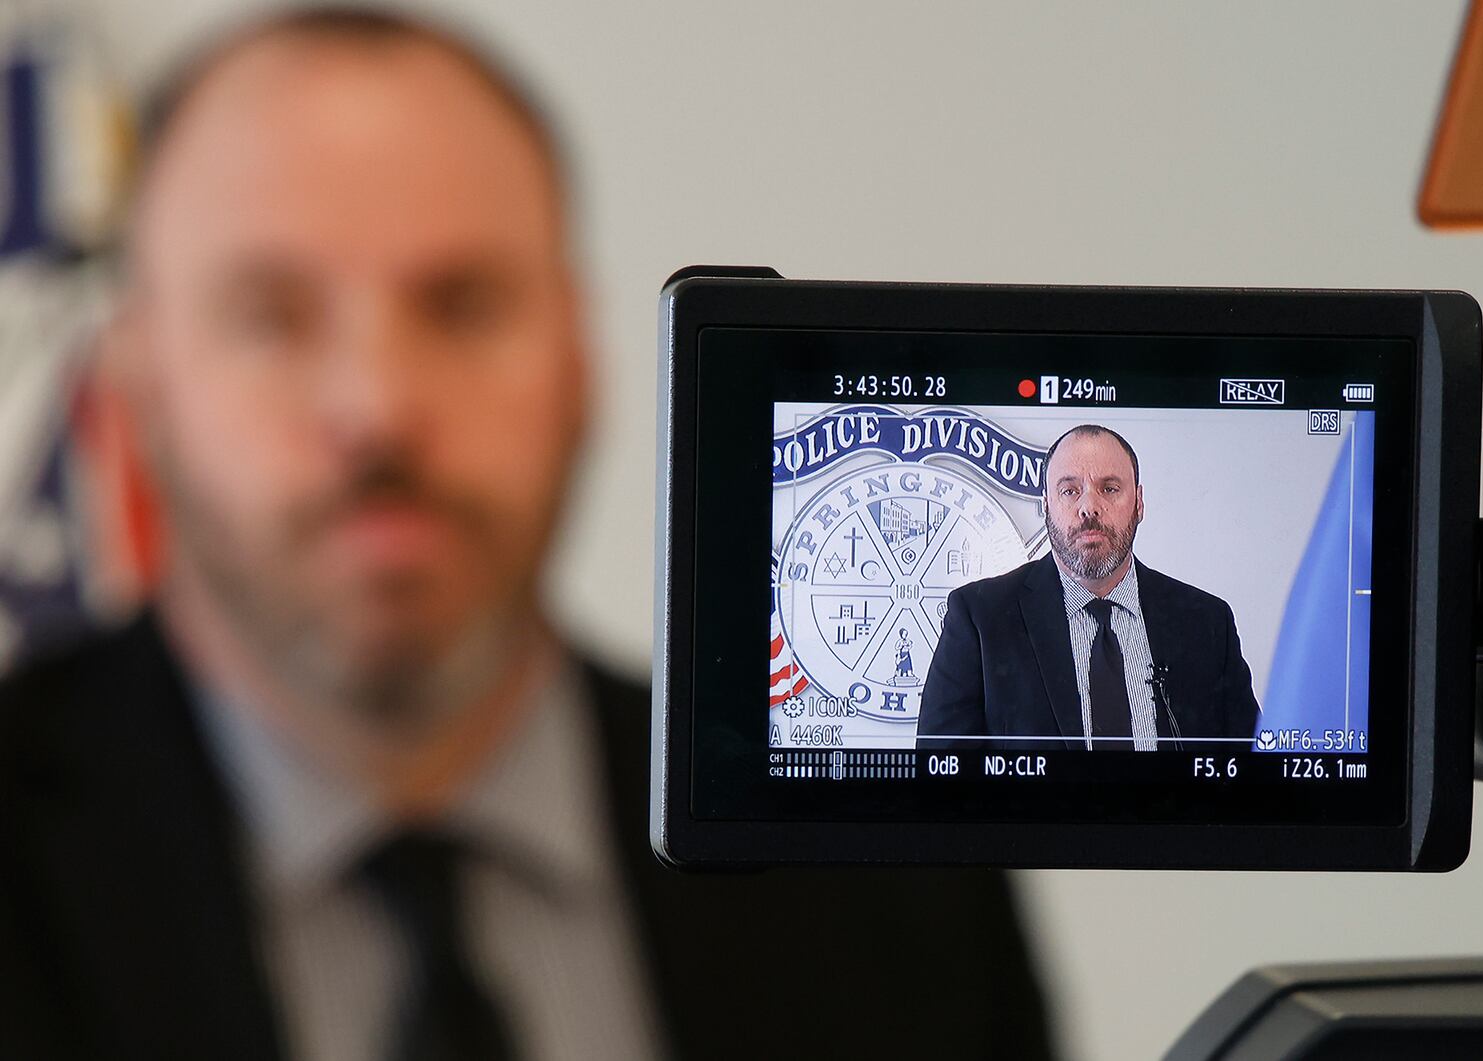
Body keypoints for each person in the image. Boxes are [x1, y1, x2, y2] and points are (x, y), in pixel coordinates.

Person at [0, 8, 1052, 1060]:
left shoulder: (884, 870)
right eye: (273, 313)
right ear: (130, 384)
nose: (378, 406)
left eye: (463, 305)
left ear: (580, 359)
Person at [918, 424, 1259, 749]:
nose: (1089, 508)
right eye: (1069, 490)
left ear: (1139, 503)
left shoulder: (1206, 622)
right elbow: (941, 776)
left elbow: (1254, 769)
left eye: (1110, 488)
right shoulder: (980, 617)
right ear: (1046, 505)